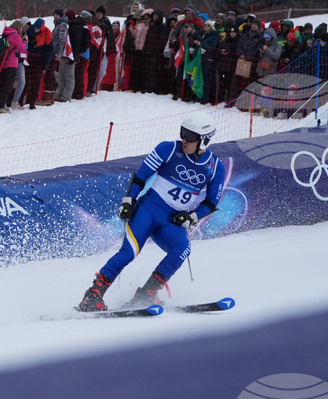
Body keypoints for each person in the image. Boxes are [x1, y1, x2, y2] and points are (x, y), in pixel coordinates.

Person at [77, 112, 226, 312]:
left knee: (182, 248)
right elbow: (142, 175)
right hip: (148, 210)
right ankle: (93, 294)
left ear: (204, 140)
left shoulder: (215, 167)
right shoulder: (168, 149)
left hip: (171, 221)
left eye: (190, 136)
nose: (184, 139)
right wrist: (129, 201)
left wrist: (192, 217)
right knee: (129, 252)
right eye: (183, 132)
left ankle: (147, 293)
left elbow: (211, 202)